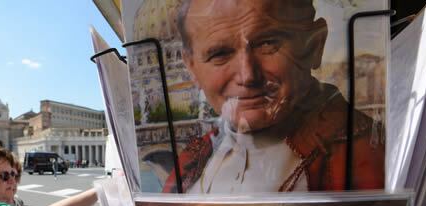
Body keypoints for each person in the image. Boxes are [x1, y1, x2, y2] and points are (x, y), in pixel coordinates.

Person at [162, 0, 384, 193]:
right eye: (220, 54)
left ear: (315, 45)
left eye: (268, 43)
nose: (247, 75)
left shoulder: (366, 157)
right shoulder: (191, 161)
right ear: (191, 68)